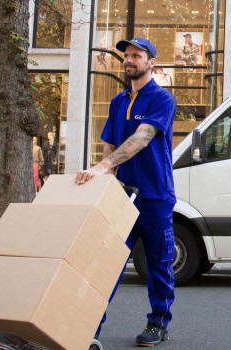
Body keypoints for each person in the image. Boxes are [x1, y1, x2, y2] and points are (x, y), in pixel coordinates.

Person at [76, 37, 177, 348]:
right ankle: (90, 327)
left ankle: (158, 322)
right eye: (126, 55)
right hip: (121, 196)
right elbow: (110, 140)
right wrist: (103, 173)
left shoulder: (162, 99)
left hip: (155, 196)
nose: (129, 60)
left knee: (158, 263)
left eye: (137, 55)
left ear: (151, 63)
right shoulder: (119, 101)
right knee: (107, 264)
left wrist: (104, 166)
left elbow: (141, 138)